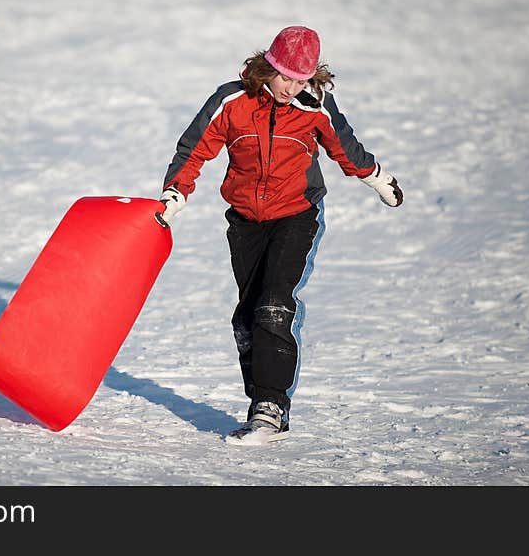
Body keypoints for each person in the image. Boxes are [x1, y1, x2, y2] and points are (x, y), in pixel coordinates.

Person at [156, 25, 403, 446]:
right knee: (247, 316)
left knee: (274, 305)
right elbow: (196, 147)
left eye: (302, 79)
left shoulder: (315, 106)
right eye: (285, 76)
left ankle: (270, 410)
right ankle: (260, 405)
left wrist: (375, 177)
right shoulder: (231, 101)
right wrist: (176, 190)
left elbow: (343, 145)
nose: (291, 88)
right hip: (246, 220)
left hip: (297, 213)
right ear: (266, 67)